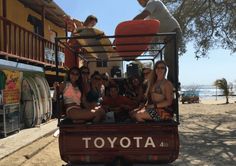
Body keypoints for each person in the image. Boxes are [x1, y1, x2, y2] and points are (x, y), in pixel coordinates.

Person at [133, 0, 182, 85]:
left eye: (140, 0)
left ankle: (173, 84)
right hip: (168, 36)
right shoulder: (150, 17)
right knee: (168, 59)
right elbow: (151, 33)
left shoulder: (153, 2)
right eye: (137, 1)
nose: (139, 2)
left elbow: (142, 15)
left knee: (171, 59)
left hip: (173, 32)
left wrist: (131, 24)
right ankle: (170, 83)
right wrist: (146, 45)